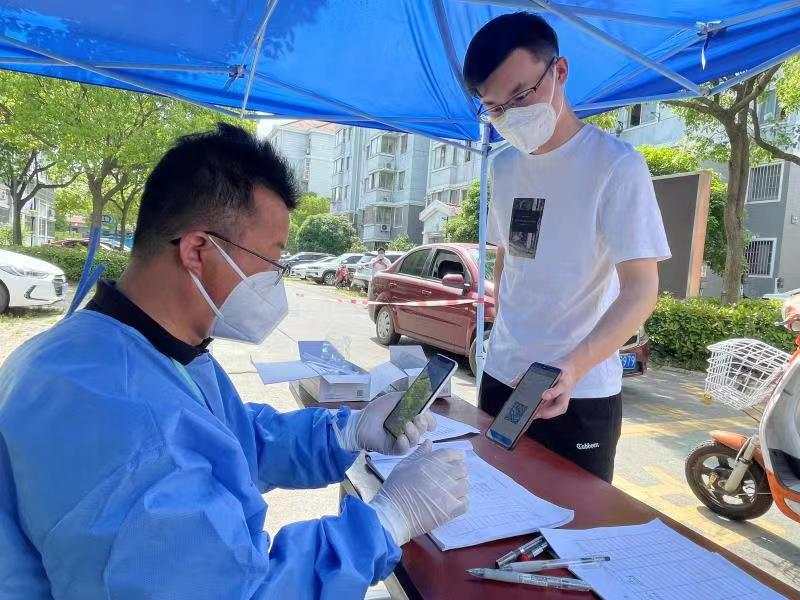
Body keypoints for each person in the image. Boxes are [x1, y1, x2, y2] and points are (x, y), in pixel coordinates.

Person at [0, 124, 468, 599]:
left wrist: (343, 434)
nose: (277, 282)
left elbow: (232, 441)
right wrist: (386, 522)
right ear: (197, 250)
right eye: (272, 261)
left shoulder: (124, 346)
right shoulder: (128, 426)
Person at [464, 13, 670, 482]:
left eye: (521, 96)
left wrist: (572, 368)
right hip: (502, 377)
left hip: (579, 393)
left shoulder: (616, 166)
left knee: (576, 521)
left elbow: (641, 290)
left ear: (559, 71)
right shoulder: (503, 167)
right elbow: (508, 257)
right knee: (491, 503)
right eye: (495, 108)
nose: (511, 115)